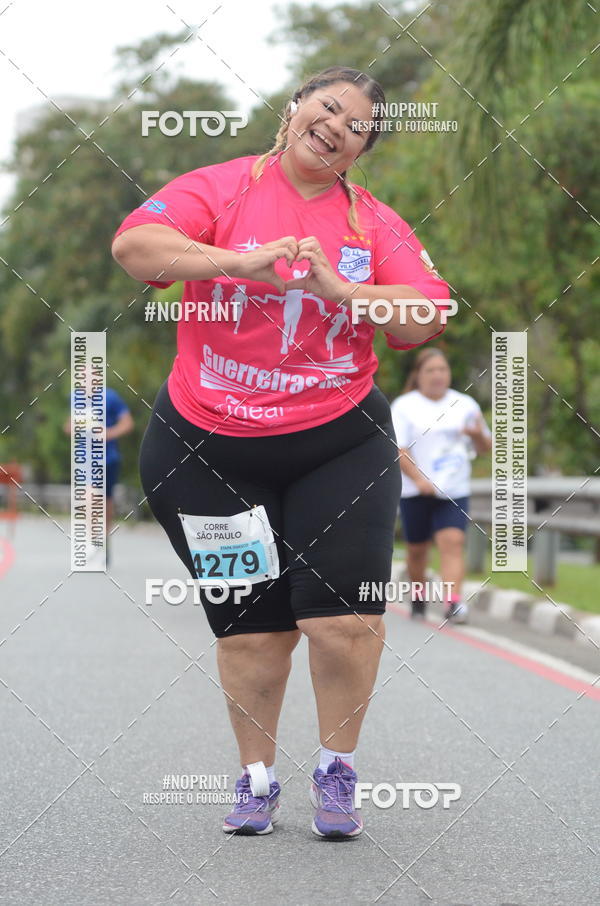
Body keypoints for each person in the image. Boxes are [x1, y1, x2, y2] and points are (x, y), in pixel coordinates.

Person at [111, 66, 450, 839]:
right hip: (206, 449)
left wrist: (346, 294)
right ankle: (256, 778)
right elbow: (137, 247)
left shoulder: (373, 226)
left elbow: (425, 315)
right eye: (328, 107)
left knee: (342, 622)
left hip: (337, 443)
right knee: (256, 631)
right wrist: (238, 261)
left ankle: (337, 770)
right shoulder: (222, 188)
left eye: (357, 125)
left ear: (361, 150)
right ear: (296, 107)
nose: (337, 125)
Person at [390, 348, 491, 623]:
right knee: (417, 550)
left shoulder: (465, 404)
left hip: (454, 490)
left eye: (442, 370)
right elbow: (399, 449)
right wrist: (420, 480)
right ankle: (419, 596)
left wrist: (477, 434)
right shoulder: (404, 406)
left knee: (453, 543)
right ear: (418, 376)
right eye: (430, 370)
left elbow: (485, 447)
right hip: (416, 491)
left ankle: (453, 603)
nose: (437, 375)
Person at [64, 386, 134, 564]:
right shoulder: (75, 398)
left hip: (109, 458)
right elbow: (69, 426)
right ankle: (93, 537)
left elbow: (127, 423)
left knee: (107, 501)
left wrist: (108, 433)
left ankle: (104, 540)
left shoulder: (110, 397)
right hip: (85, 458)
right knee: (89, 495)